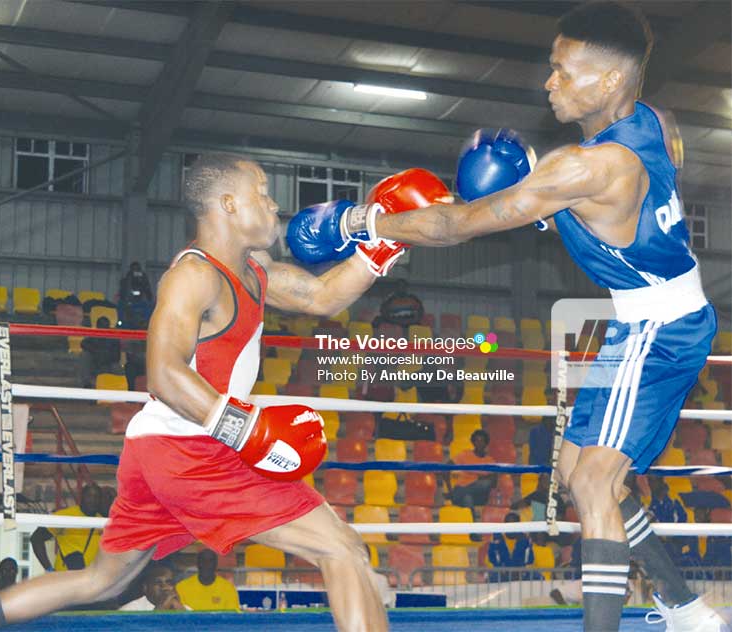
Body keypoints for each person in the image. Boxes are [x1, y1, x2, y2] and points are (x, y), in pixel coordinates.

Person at [289, 3, 725, 630]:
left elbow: (454, 223)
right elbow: (648, 171)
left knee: (598, 482)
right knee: (579, 473)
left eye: (562, 71)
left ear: (607, 82)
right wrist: (564, 208)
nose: (549, 82)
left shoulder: (584, 167)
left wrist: (360, 221)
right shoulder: (649, 121)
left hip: (661, 328)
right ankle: (685, 607)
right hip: (642, 315)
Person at [0, 152, 409, 632]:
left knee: (102, 581)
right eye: (262, 192)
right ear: (229, 204)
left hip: (166, 449)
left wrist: (378, 250)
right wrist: (249, 432)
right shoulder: (193, 275)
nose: (274, 205)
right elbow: (165, 375)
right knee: (340, 547)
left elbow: (322, 296)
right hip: (192, 450)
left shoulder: (253, 272)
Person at [29, 484, 102, 573]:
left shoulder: (102, 522)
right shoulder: (65, 516)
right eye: (89, 496)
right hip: (65, 577)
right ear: (82, 497)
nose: (93, 500)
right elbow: (36, 538)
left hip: (91, 580)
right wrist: (49, 569)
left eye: (96, 497)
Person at [175, 549, 239, 612]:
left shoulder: (228, 588)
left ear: (216, 564)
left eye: (210, 561)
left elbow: (232, 617)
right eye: (203, 561)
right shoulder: (182, 587)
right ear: (197, 564)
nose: (206, 564)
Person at [448, 429, 497, 508]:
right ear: (473, 442)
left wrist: (480, 479)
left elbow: (493, 483)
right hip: (462, 490)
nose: (479, 443)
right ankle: (472, 519)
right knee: (467, 499)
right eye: (477, 441)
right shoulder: (465, 454)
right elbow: (446, 467)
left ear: (486, 443)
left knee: (485, 483)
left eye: (482, 441)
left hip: (480, 496)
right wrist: (449, 488)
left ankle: (455, 494)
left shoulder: (490, 461)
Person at [487, 512, 537, 582]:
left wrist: (520, 570)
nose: (510, 527)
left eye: (513, 524)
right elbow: (490, 559)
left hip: (520, 573)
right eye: (508, 523)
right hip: (501, 572)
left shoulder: (525, 540)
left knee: (537, 576)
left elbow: (529, 561)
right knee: (494, 576)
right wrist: (501, 569)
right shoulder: (496, 538)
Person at [77, 317, 121, 388]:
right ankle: (87, 383)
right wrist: (96, 351)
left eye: (105, 326)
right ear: (97, 326)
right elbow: (83, 343)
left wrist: (105, 355)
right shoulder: (93, 335)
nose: (103, 328)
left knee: (117, 367)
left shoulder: (113, 338)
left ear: (108, 326)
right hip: (94, 361)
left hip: (108, 363)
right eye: (101, 326)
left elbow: (116, 357)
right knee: (84, 355)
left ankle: (118, 386)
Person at [118, 261, 154, 329]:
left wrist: (143, 281)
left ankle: (146, 324)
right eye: (134, 269)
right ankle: (123, 325)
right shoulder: (126, 279)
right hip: (128, 302)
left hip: (141, 302)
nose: (136, 272)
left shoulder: (143, 278)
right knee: (120, 306)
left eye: (137, 269)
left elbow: (148, 291)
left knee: (150, 307)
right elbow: (123, 293)